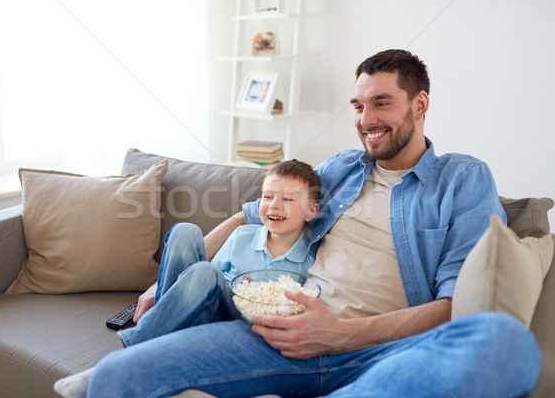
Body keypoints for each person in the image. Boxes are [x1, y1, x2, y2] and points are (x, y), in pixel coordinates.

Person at [86, 49, 541, 398]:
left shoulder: (462, 179)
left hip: (382, 348)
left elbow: (458, 303)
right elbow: (250, 215)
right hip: (283, 331)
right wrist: (160, 287)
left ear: (419, 104)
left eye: (381, 103)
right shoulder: (342, 167)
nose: (366, 120)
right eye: (358, 106)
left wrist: (342, 334)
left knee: (504, 341)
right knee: (111, 376)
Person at [54, 159, 321, 397]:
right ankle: (158, 330)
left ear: (311, 212)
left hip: (240, 326)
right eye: (267, 196)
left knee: (206, 271)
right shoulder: (242, 236)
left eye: (288, 199)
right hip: (207, 311)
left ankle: (122, 357)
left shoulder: (309, 262)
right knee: (185, 231)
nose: (274, 204)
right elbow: (207, 280)